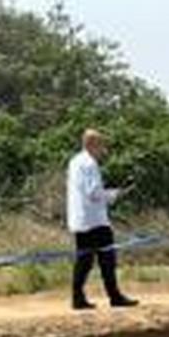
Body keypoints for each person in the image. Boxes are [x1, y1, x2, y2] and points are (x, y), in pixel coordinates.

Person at [66, 129, 138, 310]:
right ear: (91, 144)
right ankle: (114, 297)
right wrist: (115, 194)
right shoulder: (90, 164)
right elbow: (94, 193)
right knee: (107, 258)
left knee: (84, 260)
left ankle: (78, 297)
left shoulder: (75, 161)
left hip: (81, 219)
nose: (103, 150)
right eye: (100, 145)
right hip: (94, 220)